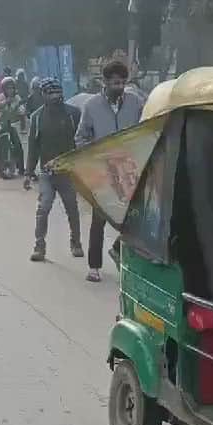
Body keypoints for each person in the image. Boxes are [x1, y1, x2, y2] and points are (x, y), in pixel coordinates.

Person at [75, 60, 143, 282]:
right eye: (115, 83)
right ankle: (94, 267)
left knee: (133, 220)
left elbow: (144, 129)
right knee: (99, 219)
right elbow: (81, 137)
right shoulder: (92, 106)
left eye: (123, 82)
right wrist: (94, 153)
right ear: (105, 82)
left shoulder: (136, 103)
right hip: (102, 171)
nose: (119, 87)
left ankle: (118, 250)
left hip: (128, 170)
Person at [24, 78, 83, 262]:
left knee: (72, 208)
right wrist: (28, 172)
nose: (55, 97)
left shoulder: (73, 114)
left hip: (68, 171)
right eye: (50, 93)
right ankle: (39, 246)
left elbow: (81, 142)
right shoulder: (37, 117)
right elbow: (33, 147)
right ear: (43, 95)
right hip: (47, 172)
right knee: (43, 208)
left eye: (57, 93)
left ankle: (76, 242)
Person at [0, 76, 26, 178]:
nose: (10, 90)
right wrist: (7, 101)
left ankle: (21, 168)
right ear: (4, 89)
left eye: (12, 88)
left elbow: (21, 112)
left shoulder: (17, 98)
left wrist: (23, 126)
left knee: (18, 145)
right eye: (8, 88)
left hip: (10, 125)